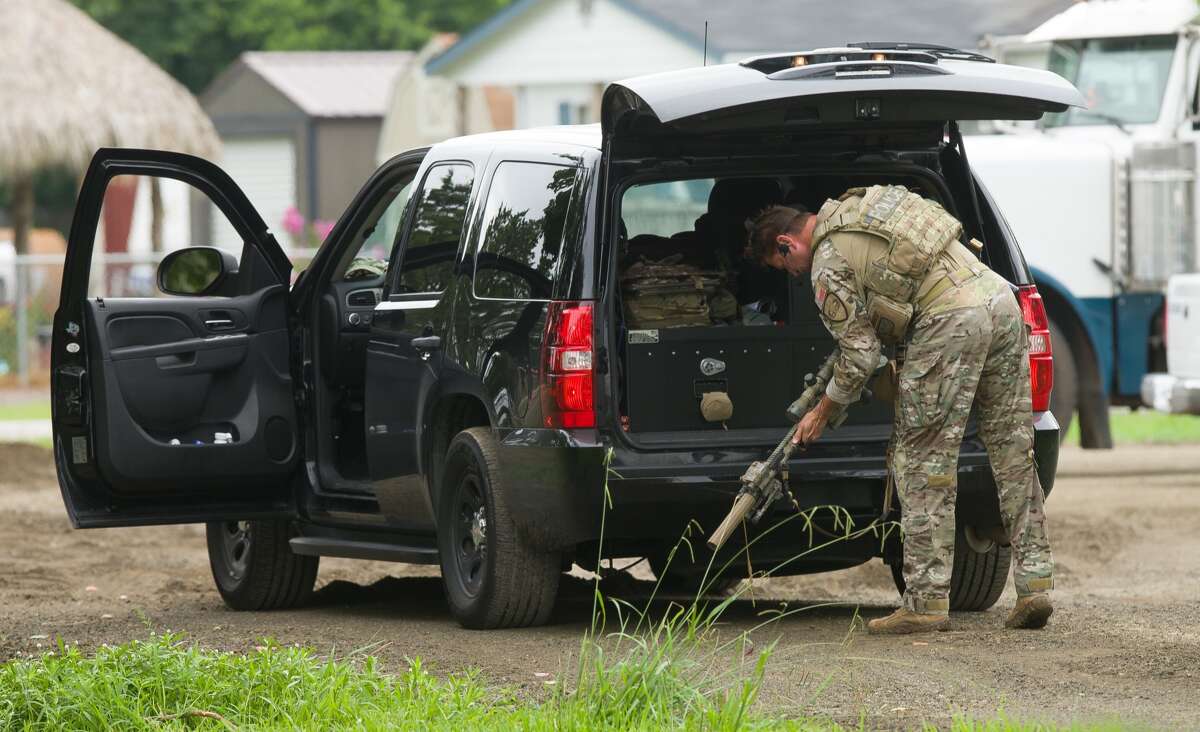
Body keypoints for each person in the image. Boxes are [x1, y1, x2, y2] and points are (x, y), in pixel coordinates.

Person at [745, 186, 1055, 634]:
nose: (795, 273)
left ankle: (926, 603)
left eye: (787, 266)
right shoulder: (865, 209)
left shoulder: (828, 261)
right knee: (1012, 450)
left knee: (923, 462)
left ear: (786, 243)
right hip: (1000, 301)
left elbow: (860, 357)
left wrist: (823, 411)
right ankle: (1036, 585)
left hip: (951, 322)